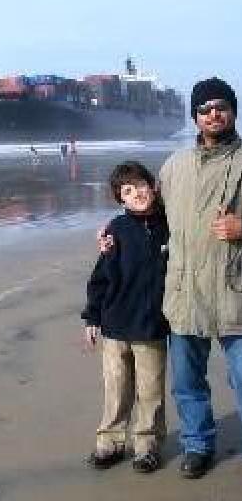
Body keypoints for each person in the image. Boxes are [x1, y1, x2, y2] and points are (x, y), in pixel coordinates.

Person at [159, 77, 242, 478]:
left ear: (233, 112)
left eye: (221, 106)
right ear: (195, 117)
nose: (213, 114)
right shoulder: (174, 166)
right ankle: (198, 445)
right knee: (187, 382)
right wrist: (112, 232)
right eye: (205, 109)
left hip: (235, 291)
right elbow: (150, 217)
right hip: (185, 291)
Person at [81, 161, 169, 473]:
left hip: (152, 327)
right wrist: (92, 318)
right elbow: (100, 278)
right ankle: (110, 443)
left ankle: (147, 447)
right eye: (127, 191)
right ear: (120, 199)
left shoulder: (169, 224)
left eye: (141, 186)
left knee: (151, 392)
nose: (137, 194)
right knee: (116, 389)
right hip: (115, 327)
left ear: (152, 186)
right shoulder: (115, 230)